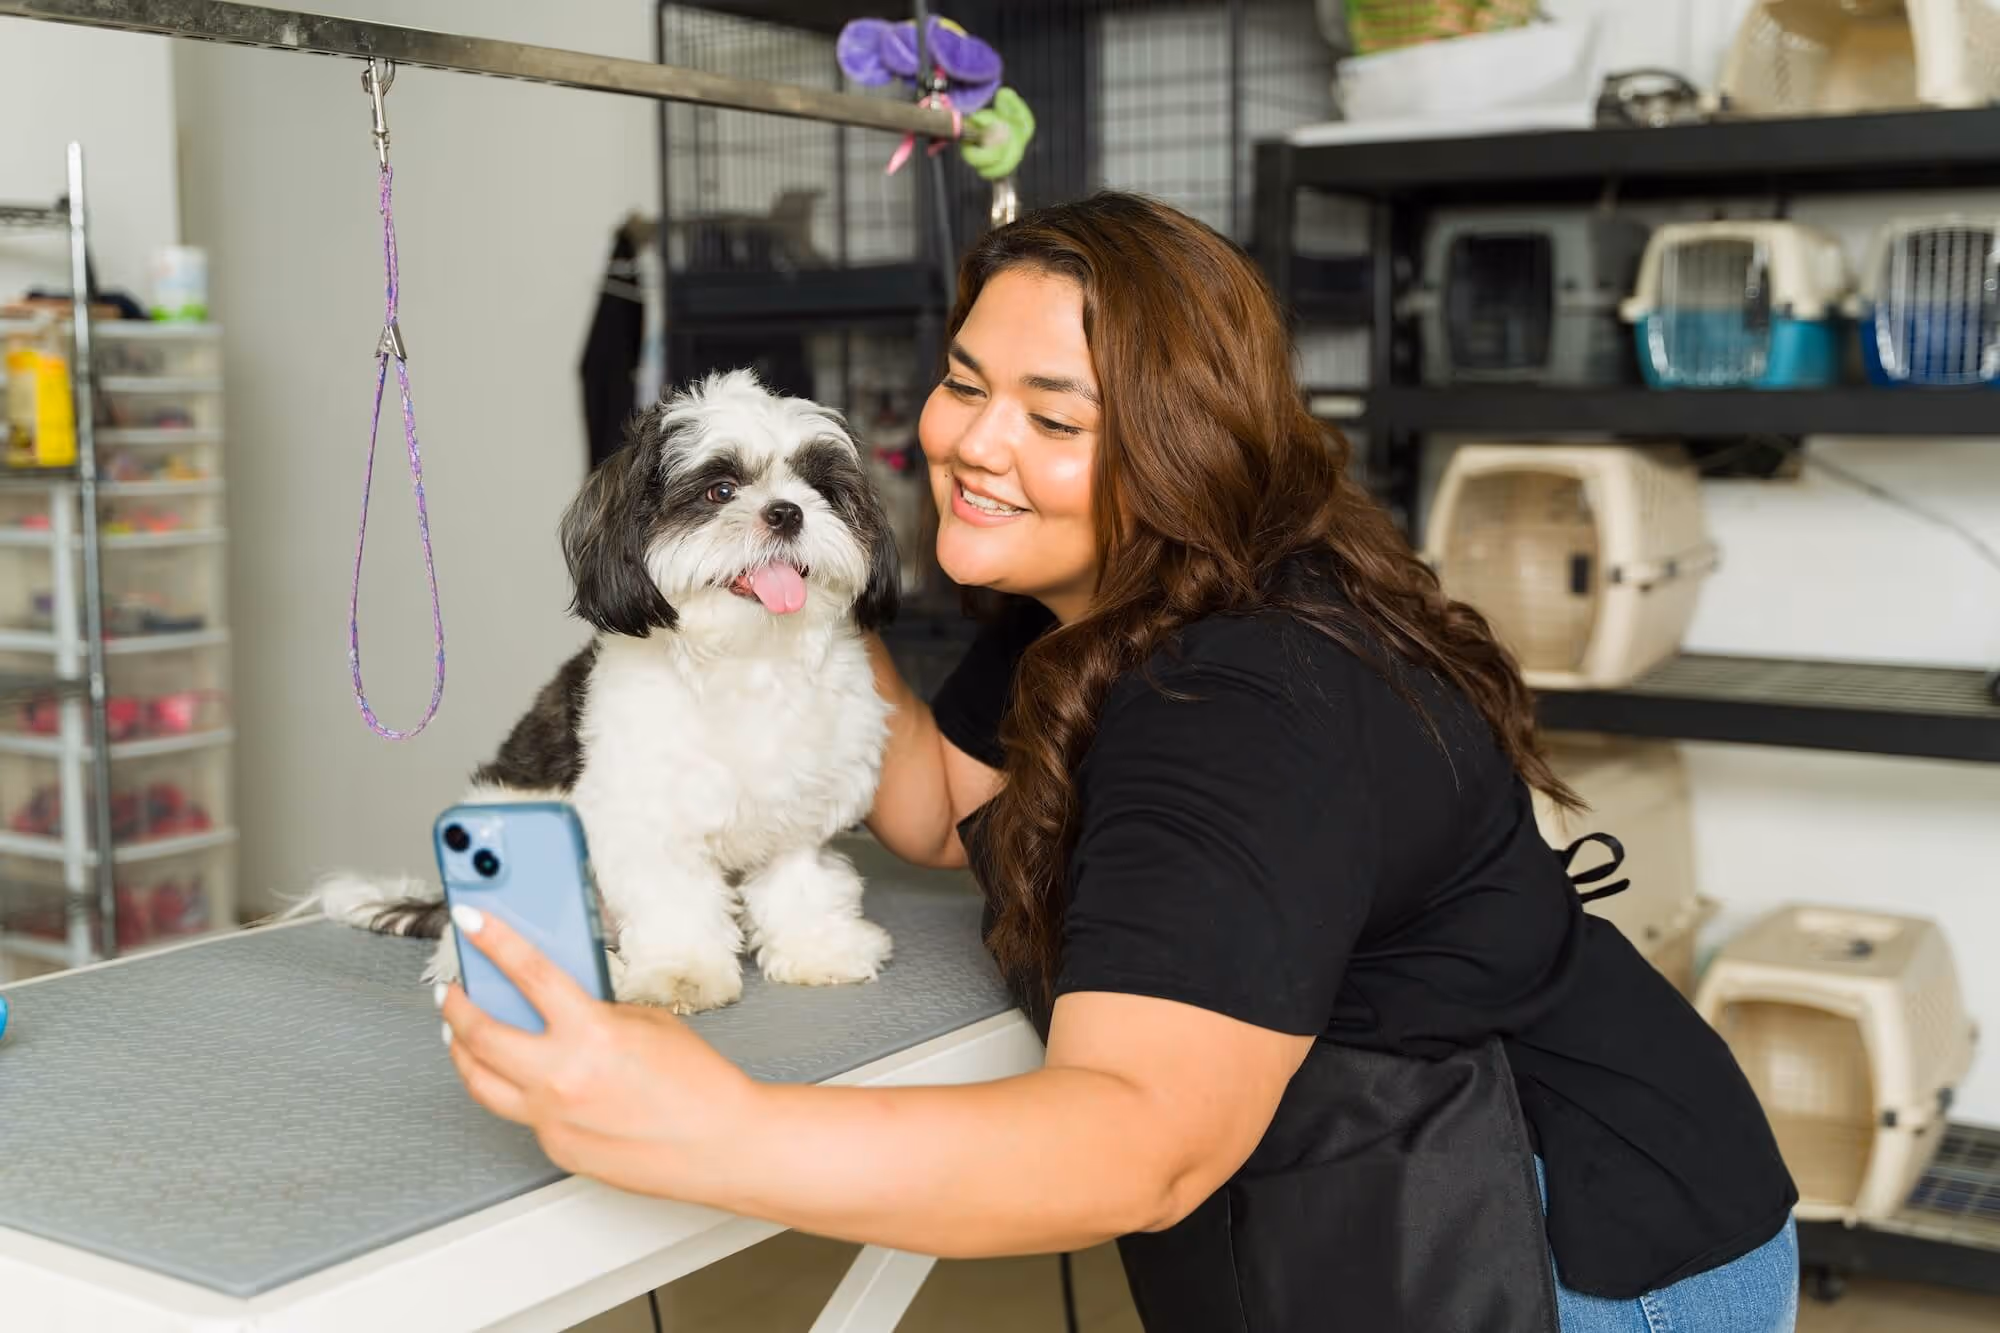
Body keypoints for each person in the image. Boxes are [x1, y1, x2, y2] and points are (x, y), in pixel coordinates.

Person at [438, 192, 1800, 1332]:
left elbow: (1139, 1141)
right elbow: (933, 806)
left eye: (1054, 416)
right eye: (966, 382)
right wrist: (782, 585)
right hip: (1402, 1198)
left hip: (1587, 1246)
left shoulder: (1244, 703)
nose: (974, 441)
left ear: (1173, 448)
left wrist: (717, 1130)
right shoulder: (1094, 608)